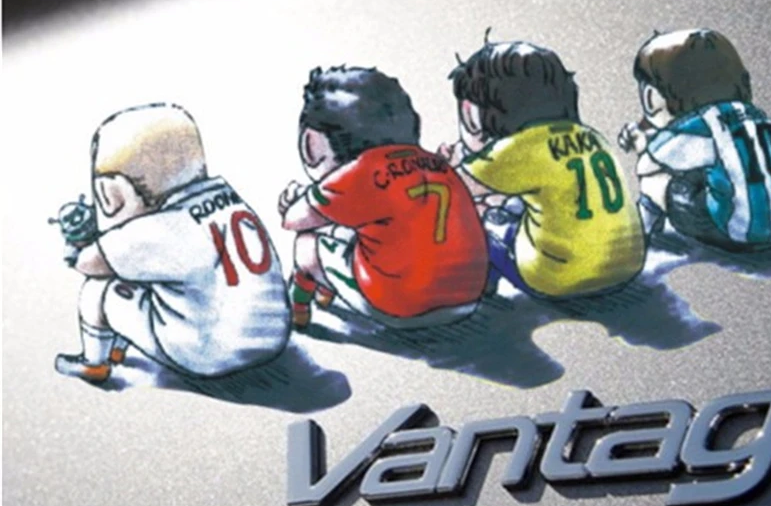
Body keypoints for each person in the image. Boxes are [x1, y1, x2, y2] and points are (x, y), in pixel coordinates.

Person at [55, 103, 290, 383]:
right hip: (272, 340)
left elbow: (89, 263)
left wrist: (78, 244)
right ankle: (118, 349)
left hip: (207, 354)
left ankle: (95, 364)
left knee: (99, 289)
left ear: (111, 193)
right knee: (146, 277)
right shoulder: (230, 201)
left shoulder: (157, 229)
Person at [279, 66, 488, 329]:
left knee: (307, 243)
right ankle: (326, 291)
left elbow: (294, 220)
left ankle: (299, 309)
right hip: (467, 300)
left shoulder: (357, 172)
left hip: (402, 309)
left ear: (311, 143)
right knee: (363, 233)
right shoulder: (435, 164)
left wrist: (297, 199)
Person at [442, 31, 645, 299]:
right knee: (522, 207)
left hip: (558, 280)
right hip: (627, 269)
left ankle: (483, 290)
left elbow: (458, 189)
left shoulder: (516, 150)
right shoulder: (592, 136)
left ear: (471, 114)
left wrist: (451, 162)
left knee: (487, 223)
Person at [618, 28, 771, 249]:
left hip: (740, 233)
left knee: (656, 180)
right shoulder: (758, 116)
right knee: (711, 172)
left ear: (650, 97)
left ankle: (641, 230)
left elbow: (650, 164)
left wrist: (641, 143)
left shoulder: (700, 125)